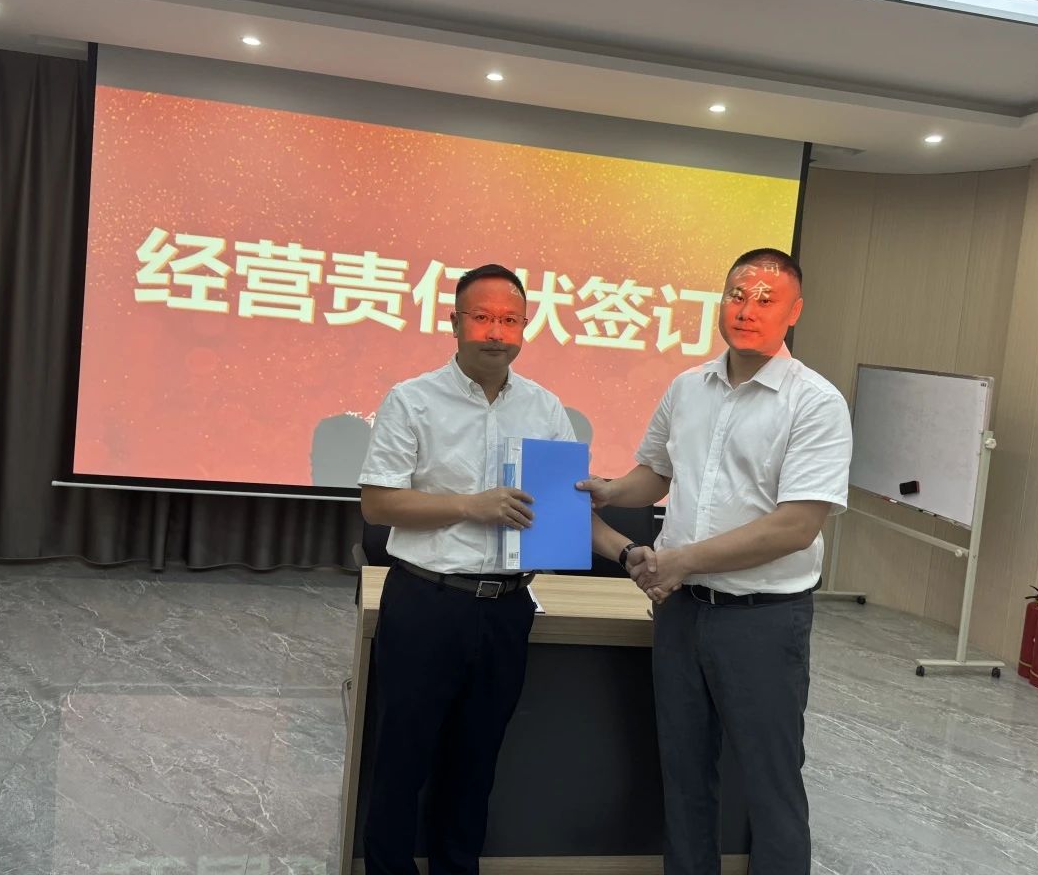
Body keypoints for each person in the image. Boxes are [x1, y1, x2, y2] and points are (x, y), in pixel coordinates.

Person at [578, 248, 852, 875]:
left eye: (766, 300)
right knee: (684, 776)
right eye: (737, 295)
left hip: (763, 620)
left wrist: (681, 561)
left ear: (794, 312)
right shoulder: (687, 388)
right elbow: (656, 473)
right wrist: (610, 492)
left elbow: (796, 526)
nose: (747, 309)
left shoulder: (815, 402)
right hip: (682, 614)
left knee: (770, 783)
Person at [358, 263, 578, 875]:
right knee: (402, 759)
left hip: (507, 608)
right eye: (481, 317)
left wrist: (621, 548)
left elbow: (562, 507)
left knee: (475, 764)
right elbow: (378, 503)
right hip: (426, 602)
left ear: (525, 327)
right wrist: (469, 506)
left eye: (509, 320)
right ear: (454, 322)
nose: (495, 332)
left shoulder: (544, 407)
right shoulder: (412, 400)